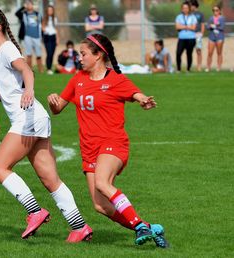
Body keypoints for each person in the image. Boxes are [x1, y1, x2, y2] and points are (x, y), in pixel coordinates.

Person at [0, 7, 93, 242]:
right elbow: (10, 89)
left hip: (26, 119)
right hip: (36, 118)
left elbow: (26, 70)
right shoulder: (3, 51)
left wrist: (30, 90)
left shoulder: (6, 49)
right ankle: (79, 227)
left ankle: (35, 211)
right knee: (50, 180)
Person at [47, 33, 169, 248]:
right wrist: (53, 101)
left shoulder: (116, 80)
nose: (80, 58)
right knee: (100, 205)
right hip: (89, 148)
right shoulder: (77, 80)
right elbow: (58, 109)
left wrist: (143, 100)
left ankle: (140, 227)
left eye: (83, 54)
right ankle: (147, 226)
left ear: (98, 56)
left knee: (103, 183)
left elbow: (136, 94)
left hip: (113, 143)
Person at [15, 0, 43, 73]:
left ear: (32, 5)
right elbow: (17, 13)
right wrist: (23, 7)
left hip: (37, 37)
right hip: (27, 36)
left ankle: (41, 70)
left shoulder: (37, 14)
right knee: (29, 54)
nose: (29, 5)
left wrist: (41, 36)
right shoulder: (24, 14)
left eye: (30, 4)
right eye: (27, 4)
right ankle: (29, 70)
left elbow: (41, 24)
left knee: (38, 54)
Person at [175, 1, 197, 72]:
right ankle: (178, 69)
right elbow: (177, 27)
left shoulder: (193, 17)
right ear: (182, 9)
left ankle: (188, 68)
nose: (185, 9)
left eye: (186, 8)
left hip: (191, 38)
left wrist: (183, 26)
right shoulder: (178, 17)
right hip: (182, 38)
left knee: (189, 54)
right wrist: (187, 26)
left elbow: (194, 28)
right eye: (184, 8)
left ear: (189, 9)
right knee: (178, 53)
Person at [205, 5, 225, 72]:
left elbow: (222, 27)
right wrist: (213, 26)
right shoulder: (211, 18)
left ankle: (219, 67)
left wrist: (213, 26)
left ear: (219, 11)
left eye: (216, 10)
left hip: (219, 37)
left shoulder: (222, 18)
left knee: (219, 52)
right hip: (212, 36)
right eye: (214, 10)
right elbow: (207, 27)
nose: (215, 12)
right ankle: (208, 67)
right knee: (210, 52)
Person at [42, 5, 59, 75]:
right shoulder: (44, 19)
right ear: (47, 11)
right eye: (49, 10)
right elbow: (42, 28)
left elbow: (56, 29)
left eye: (51, 10)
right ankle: (48, 68)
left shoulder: (55, 19)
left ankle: (50, 68)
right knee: (49, 53)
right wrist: (47, 31)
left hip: (53, 37)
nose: (50, 11)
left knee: (52, 53)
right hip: (47, 36)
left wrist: (57, 38)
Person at [190, 0, 205, 71]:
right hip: (190, 34)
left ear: (194, 5)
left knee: (198, 50)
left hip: (198, 34)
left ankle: (199, 66)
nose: (190, 7)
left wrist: (201, 33)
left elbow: (202, 24)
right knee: (189, 50)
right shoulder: (189, 14)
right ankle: (189, 66)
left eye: (191, 5)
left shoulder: (200, 14)